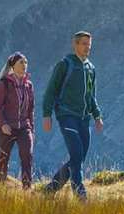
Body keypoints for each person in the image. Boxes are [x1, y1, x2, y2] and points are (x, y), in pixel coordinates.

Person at [41, 31, 103, 200]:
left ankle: (50, 190)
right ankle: (80, 193)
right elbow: (51, 91)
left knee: (79, 157)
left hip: (84, 118)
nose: (87, 47)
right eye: (83, 44)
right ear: (74, 45)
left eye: (89, 45)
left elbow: (91, 96)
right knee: (76, 154)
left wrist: (97, 116)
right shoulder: (65, 64)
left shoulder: (91, 68)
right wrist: (47, 115)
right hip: (66, 115)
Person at [0, 52, 36, 188]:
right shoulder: (4, 84)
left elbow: (30, 109)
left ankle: (27, 188)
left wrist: (31, 129)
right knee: (3, 159)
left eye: (26, 62)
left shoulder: (28, 85)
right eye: (21, 62)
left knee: (27, 156)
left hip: (24, 127)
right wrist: (3, 124)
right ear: (13, 66)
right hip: (7, 128)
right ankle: (0, 187)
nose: (25, 65)